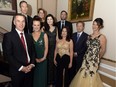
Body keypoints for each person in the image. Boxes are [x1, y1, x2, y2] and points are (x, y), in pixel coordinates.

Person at [70, 18, 107, 87]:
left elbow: (103, 50)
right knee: (83, 74)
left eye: (97, 25)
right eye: (93, 24)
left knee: (91, 75)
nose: (94, 26)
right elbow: (86, 48)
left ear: (100, 26)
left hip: (94, 61)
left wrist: (97, 58)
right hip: (86, 59)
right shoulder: (89, 36)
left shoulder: (102, 37)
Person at [2, 14, 35, 87]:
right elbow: (8, 55)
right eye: (18, 21)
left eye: (23, 21)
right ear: (14, 22)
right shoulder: (8, 36)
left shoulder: (29, 36)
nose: (21, 24)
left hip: (29, 70)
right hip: (17, 72)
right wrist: (21, 68)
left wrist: (32, 64)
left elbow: (33, 52)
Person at [32, 16, 48, 87]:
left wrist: (44, 58)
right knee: (34, 78)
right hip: (33, 61)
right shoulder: (29, 35)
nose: (36, 26)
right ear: (32, 25)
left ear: (40, 25)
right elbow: (29, 50)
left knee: (42, 78)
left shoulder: (44, 35)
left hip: (43, 60)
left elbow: (46, 47)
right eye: (35, 25)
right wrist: (35, 59)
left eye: (38, 25)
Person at [44, 14, 58, 87]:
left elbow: (57, 40)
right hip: (46, 50)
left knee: (53, 65)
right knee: (48, 66)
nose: (49, 21)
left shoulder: (56, 28)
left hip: (54, 49)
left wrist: (57, 49)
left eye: (51, 19)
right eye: (48, 19)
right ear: (46, 21)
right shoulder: (44, 28)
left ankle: (53, 82)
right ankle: (48, 82)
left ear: (53, 20)